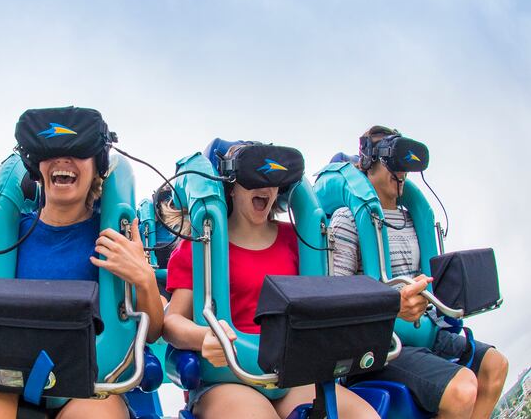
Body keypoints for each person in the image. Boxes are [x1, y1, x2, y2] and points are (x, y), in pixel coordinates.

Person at [0, 106, 164, 419]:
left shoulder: (115, 237)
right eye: (50, 152)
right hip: (12, 376)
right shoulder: (10, 237)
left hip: (90, 384)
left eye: (78, 152)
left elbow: (152, 332)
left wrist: (145, 278)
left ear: (97, 166)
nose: (63, 161)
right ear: (35, 165)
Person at [162, 140, 379, 419]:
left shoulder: (298, 239)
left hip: (290, 375)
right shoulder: (200, 243)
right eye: (254, 177)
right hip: (229, 377)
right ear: (231, 184)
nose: (265, 187)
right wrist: (202, 337)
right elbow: (172, 321)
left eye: (275, 180)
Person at [329, 125, 509, 419]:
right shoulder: (346, 220)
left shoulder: (414, 219)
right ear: (368, 162)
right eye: (393, 162)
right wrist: (390, 305)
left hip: (428, 333)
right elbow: (336, 298)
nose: (401, 172)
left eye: (405, 165)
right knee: (462, 389)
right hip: (382, 347)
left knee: (495, 366)